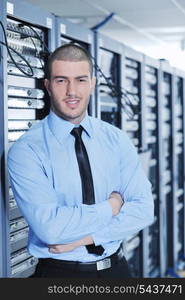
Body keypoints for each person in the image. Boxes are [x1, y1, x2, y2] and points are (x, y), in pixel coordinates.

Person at [8, 43, 154, 278]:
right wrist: (112, 207)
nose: (72, 91)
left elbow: (144, 210)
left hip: (117, 271)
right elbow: (50, 229)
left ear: (93, 84)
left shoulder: (116, 139)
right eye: (61, 80)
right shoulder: (27, 150)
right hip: (60, 274)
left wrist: (82, 239)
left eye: (81, 80)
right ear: (47, 85)